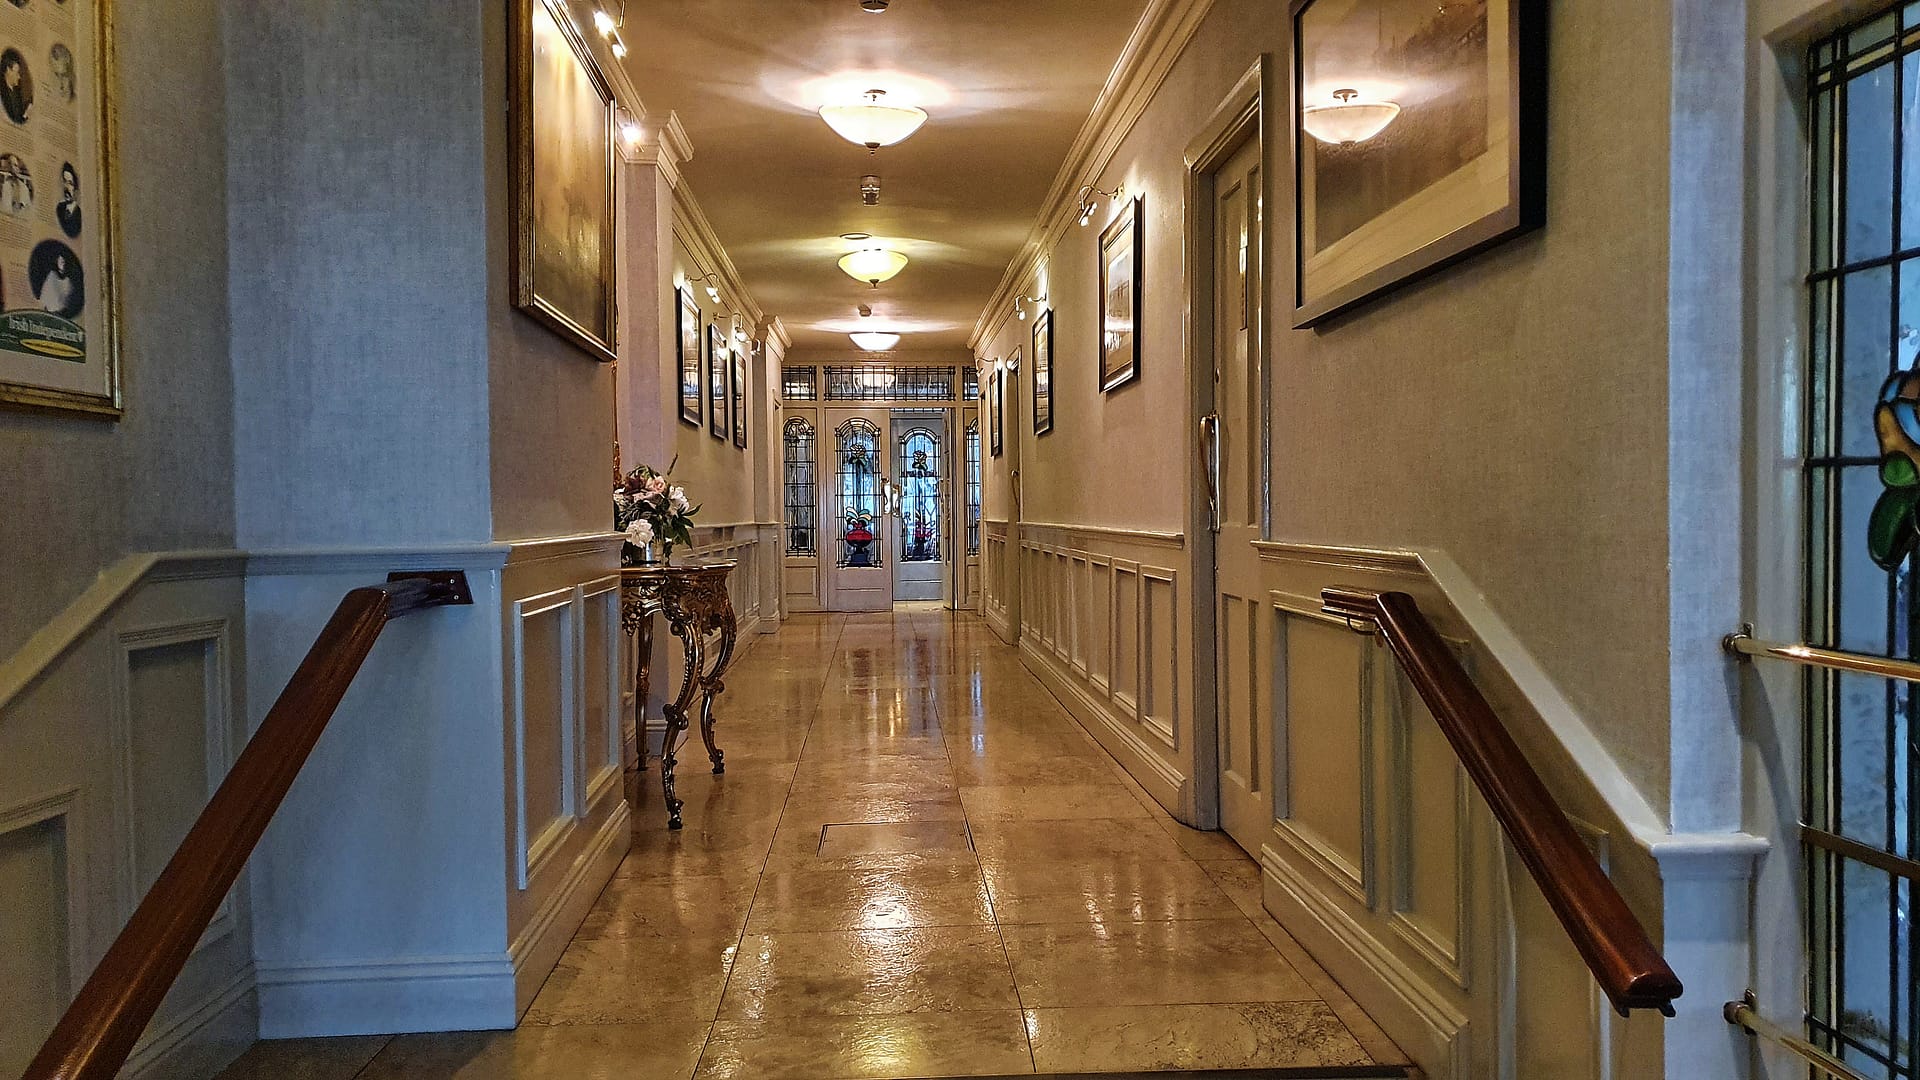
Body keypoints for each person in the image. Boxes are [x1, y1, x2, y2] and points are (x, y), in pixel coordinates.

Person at [0, 49, 31, 125]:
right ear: (8, 70)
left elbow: (18, 119)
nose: (19, 77)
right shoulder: (1, 90)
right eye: (17, 73)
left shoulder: (17, 92)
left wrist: (25, 114)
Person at [56, 163, 78, 237]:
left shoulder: (79, 214)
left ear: (75, 188)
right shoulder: (59, 208)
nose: (66, 187)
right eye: (64, 181)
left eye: (70, 183)